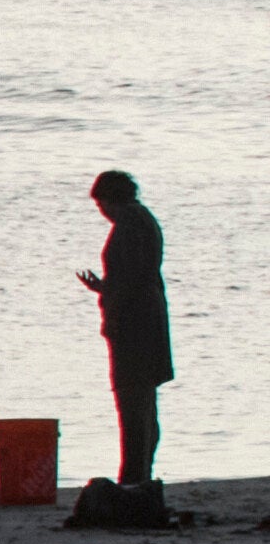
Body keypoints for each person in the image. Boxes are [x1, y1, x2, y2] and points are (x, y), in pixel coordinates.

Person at [81, 169, 172, 493]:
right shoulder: (142, 219)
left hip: (135, 324)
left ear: (108, 199)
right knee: (144, 403)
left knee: (133, 402)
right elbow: (134, 276)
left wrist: (109, 302)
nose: (102, 212)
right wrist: (104, 288)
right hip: (148, 318)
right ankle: (139, 474)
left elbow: (128, 282)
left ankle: (133, 478)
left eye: (101, 204)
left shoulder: (127, 227)